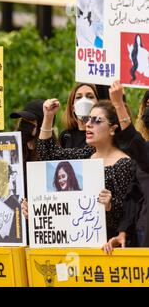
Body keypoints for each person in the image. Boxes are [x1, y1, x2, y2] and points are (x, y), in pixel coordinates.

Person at [37, 98, 137, 250]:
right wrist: (48, 116)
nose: (88, 124)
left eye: (97, 120)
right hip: (80, 246)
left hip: (111, 250)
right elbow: (48, 155)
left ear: (112, 129)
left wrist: (110, 205)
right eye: (89, 119)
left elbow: (130, 214)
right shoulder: (87, 154)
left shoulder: (124, 164)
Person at [109, 81, 149, 250]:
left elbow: (137, 146)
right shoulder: (142, 150)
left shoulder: (142, 150)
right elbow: (134, 193)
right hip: (143, 231)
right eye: (148, 104)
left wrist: (118, 104)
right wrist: (123, 230)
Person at [59, 83, 99, 149]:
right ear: (73, 108)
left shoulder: (106, 134)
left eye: (90, 97)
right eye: (78, 97)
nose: (84, 101)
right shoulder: (66, 136)